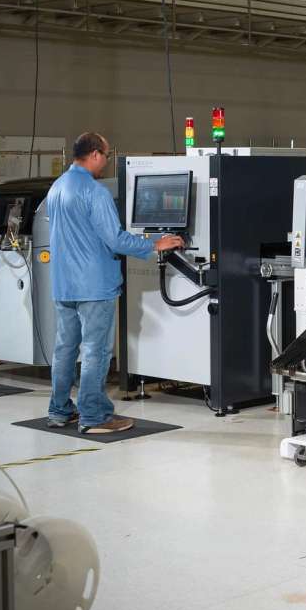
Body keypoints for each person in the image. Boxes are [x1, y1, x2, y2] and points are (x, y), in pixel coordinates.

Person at [45, 133, 183, 434]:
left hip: (64, 283)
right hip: (94, 285)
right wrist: (155, 244)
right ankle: (94, 416)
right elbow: (115, 239)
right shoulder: (95, 192)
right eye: (107, 155)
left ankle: (59, 410)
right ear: (95, 154)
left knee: (65, 348)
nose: (106, 162)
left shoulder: (57, 187)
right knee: (95, 351)